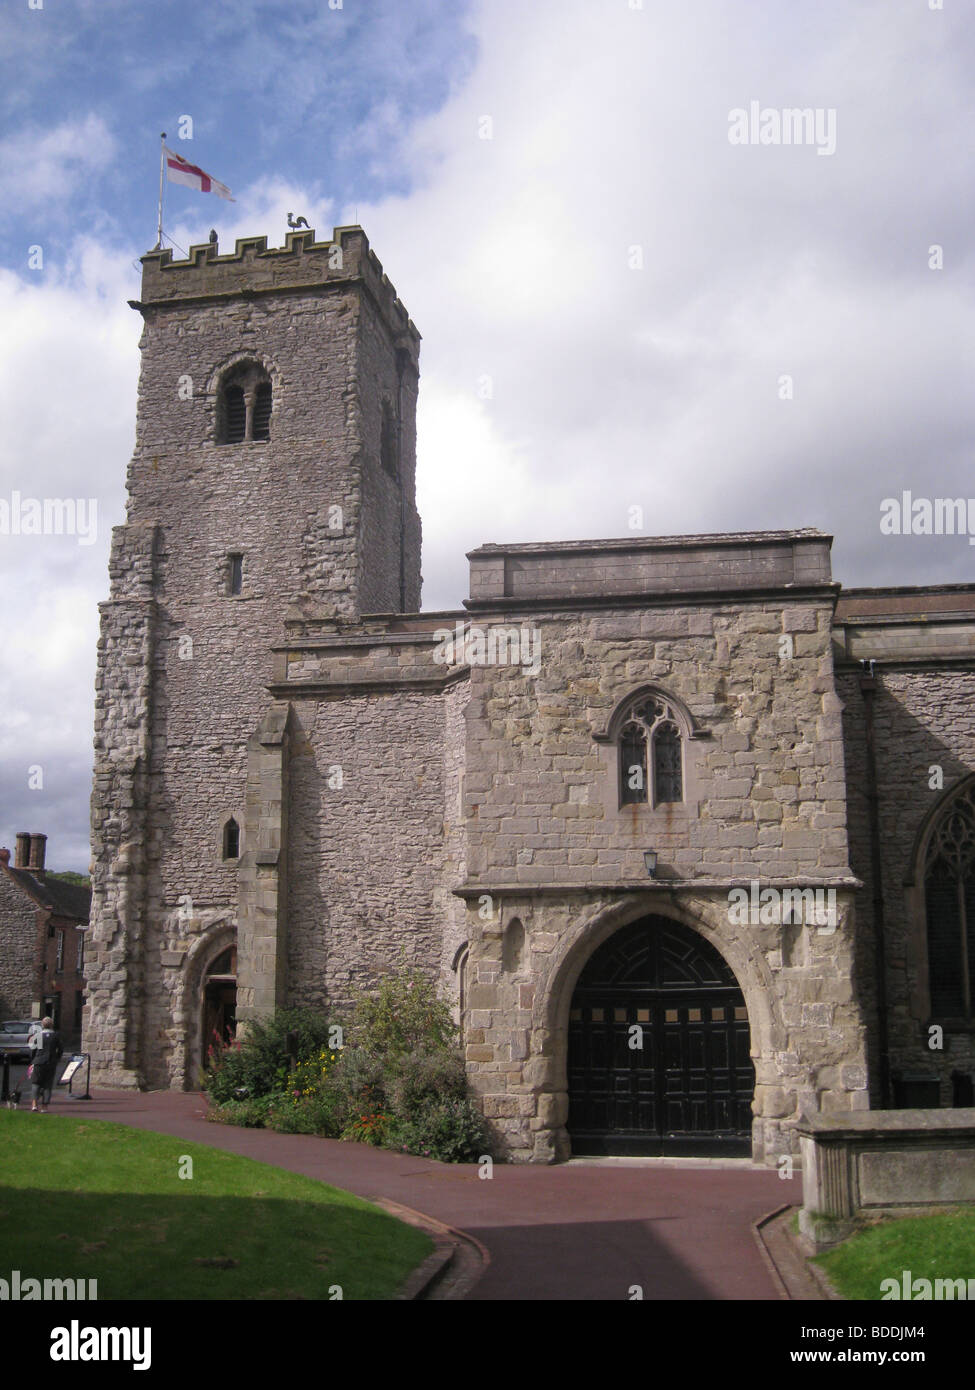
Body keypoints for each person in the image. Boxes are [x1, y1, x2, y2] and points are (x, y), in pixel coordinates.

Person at [29, 1016, 62, 1113]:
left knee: (36, 1082)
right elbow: (60, 1049)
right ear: (52, 1025)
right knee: (48, 1084)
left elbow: (34, 1050)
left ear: (42, 1025)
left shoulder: (39, 1036)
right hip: (50, 1063)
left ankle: (34, 1105)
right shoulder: (55, 1036)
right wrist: (57, 1058)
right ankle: (44, 1106)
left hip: (39, 1062)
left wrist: (33, 1061)